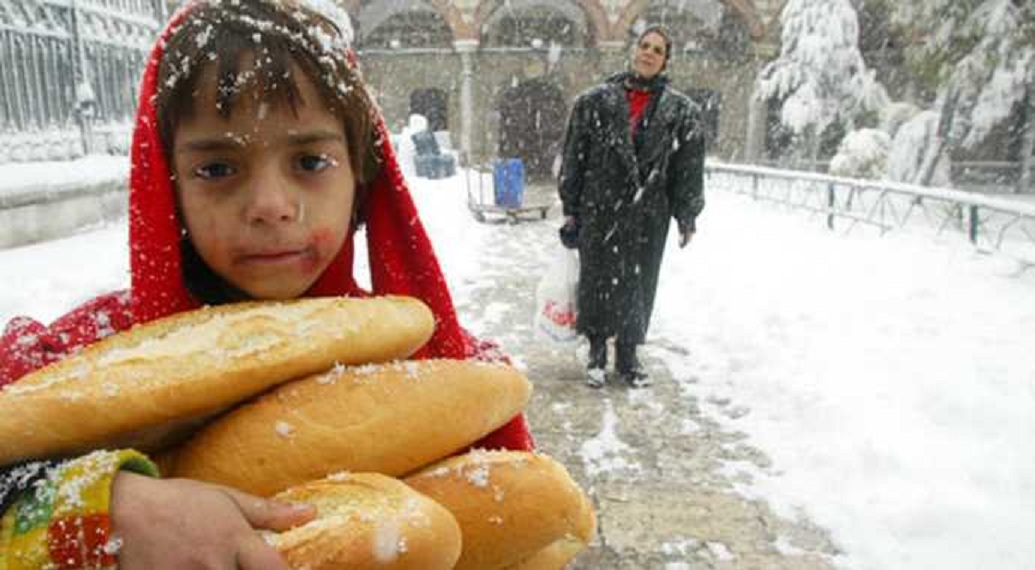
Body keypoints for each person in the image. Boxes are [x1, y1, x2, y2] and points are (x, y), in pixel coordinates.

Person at [0, 1, 533, 568]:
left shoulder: (448, 376)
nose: (271, 206)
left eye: (309, 160)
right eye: (217, 169)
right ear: (166, 184)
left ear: (361, 172)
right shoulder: (76, 364)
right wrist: (101, 505)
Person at [558, 25, 706, 389]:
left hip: (649, 213)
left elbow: (688, 167)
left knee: (639, 282)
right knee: (597, 280)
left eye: (658, 50)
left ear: (665, 60)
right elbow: (574, 156)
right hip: (600, 206)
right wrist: (571, 205)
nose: (649, 53)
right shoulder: (594, 101)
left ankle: (628, 355)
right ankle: (595, 354)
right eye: (644, 46)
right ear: (633, 50)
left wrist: (687, 214)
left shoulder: (681, 111)